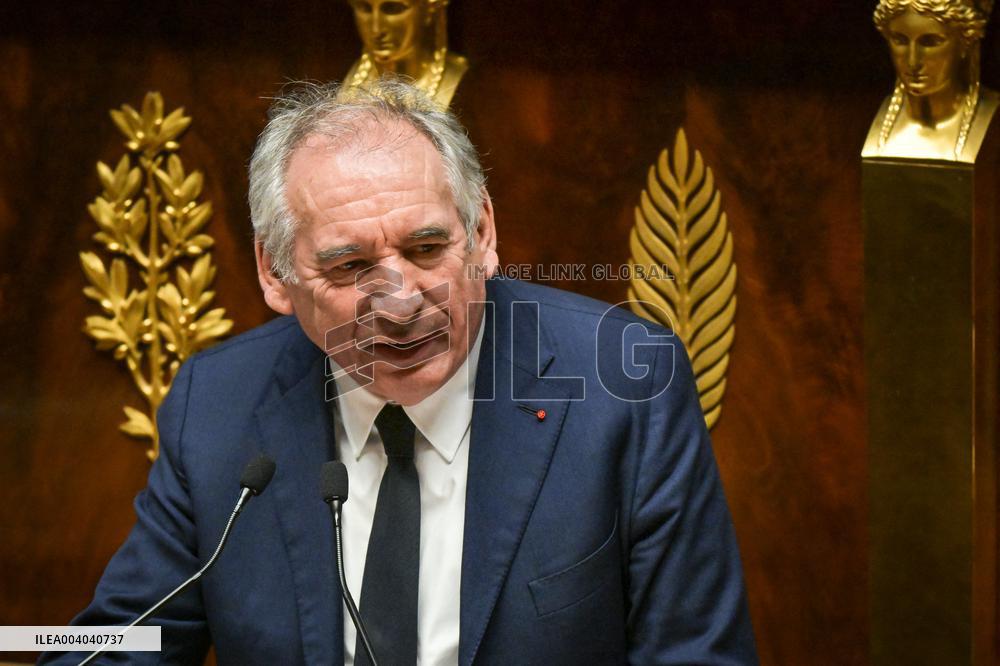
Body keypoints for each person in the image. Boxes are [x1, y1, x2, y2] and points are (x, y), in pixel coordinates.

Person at [42, 79, 756, 664]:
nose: (401, 301)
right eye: (350, 266)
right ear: (275, 272)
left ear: (481, 235)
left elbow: (697, 655)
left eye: (425, 248)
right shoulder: (219, 405)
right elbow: (123, 638)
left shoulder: (623, 389)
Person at [866, 0, 998, 161]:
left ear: (966, 43)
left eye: (930, 42)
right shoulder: (871, 123)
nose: (913, 62)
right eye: (900, 40)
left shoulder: (992, 120)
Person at [343, 0, 468, 108]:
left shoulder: (458, 81)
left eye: (393, 9)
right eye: (365, 8)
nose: (376, 29)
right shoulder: (356, 78)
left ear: (429, 9)